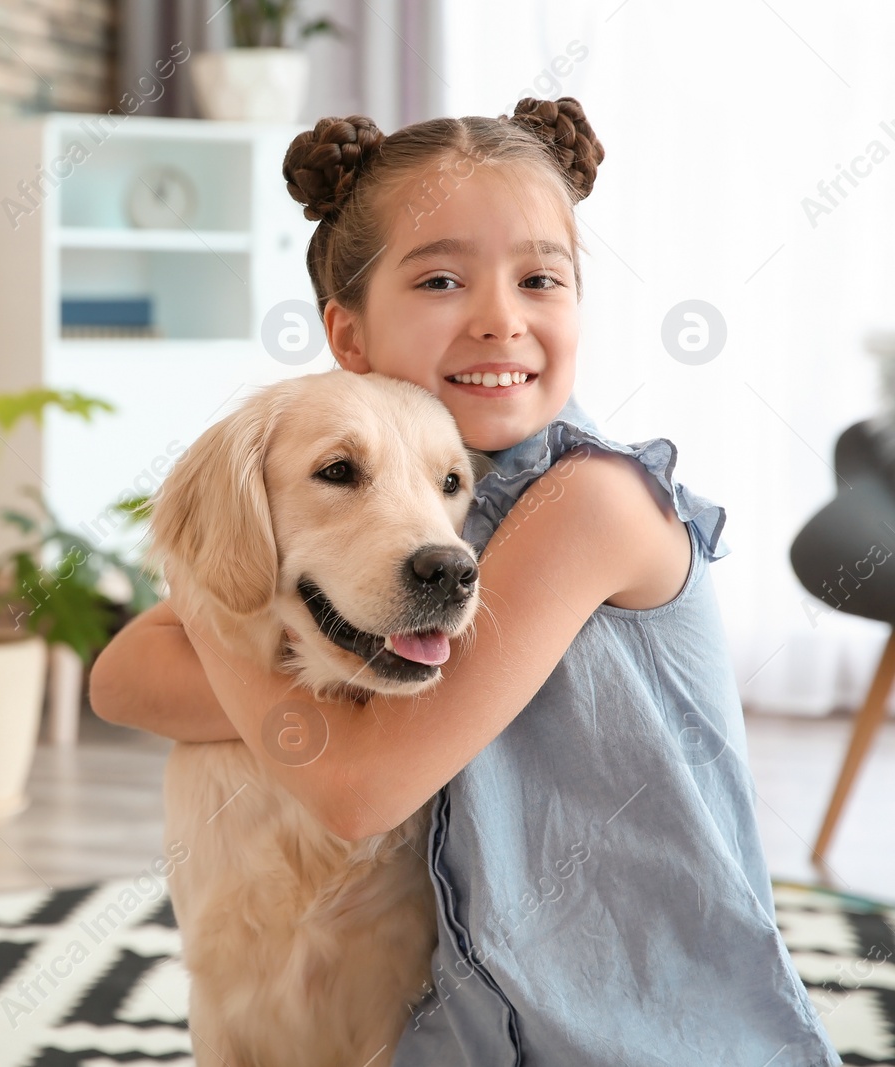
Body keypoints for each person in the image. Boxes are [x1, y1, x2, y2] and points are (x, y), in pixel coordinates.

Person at [88, 97, 841, 1065]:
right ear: (347, 335)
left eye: (540, 278)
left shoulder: (592, 504)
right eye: (442, 278)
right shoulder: (440, 511)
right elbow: (122, 674)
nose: (499, 317)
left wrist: (213, 588)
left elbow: (357, 786)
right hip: (489, 1017)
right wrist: (223, 571)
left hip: (646, 1030)